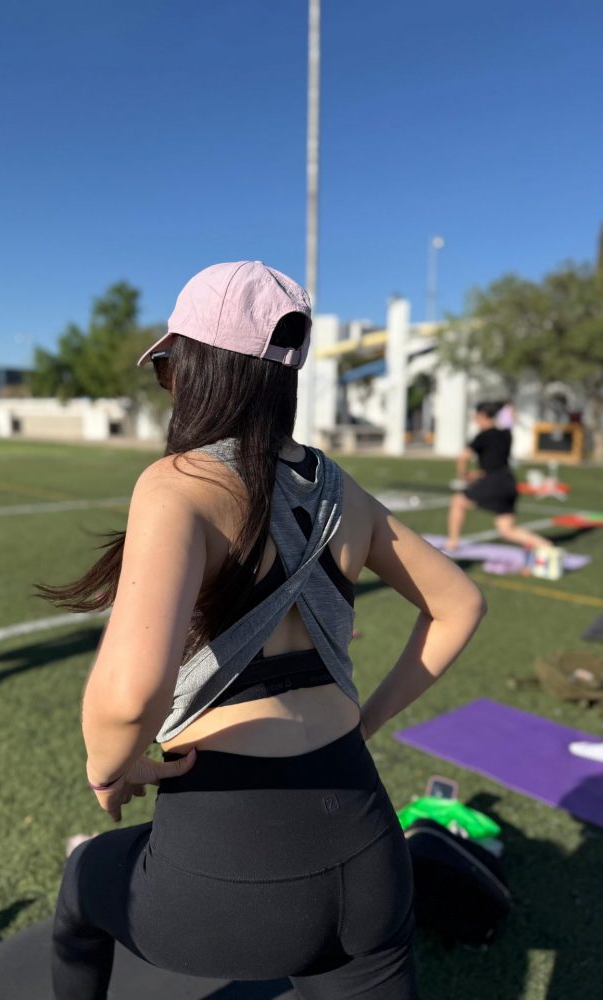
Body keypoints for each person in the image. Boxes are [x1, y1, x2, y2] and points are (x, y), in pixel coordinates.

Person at [42, 261, 487, 1000]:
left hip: (228, 864)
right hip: (369, 846)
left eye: (168, 368)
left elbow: (127, 699)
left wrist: (109, 771)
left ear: (197, 369)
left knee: (82, 885)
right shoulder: (343, 489)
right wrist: (367, 720)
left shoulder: (179, 483)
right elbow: (459, 603)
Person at [446, 400, 554, 552]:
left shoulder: (483, 436)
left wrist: (463, 476)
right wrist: (477, 475)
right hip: (509, 482)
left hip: (495, 482)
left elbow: (463, 457)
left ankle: (452, 543)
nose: (474, 418)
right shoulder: (506, 434)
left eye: (476, 415)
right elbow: (495, 463)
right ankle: (545, 545)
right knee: (506, 529)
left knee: (458, 501)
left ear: (483, 415)